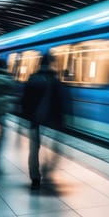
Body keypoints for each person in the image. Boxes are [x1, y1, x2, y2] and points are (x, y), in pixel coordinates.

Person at [21, 53, 68, 189]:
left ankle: (35, 177)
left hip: (35, 120)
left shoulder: (33, 79)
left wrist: (26, 116)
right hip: (52, 121)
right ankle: (47, 170)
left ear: (39, 64)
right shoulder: (55, 80)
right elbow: (61, 103)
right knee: (55, 148)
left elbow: (25, 100)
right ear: (52, 64)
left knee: (34, 149)